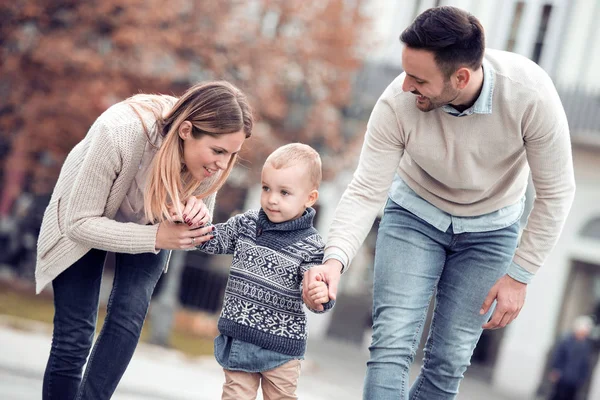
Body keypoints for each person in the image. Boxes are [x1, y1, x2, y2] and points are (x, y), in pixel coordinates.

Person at [302, 6, 576, 399]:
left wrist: (519, 276)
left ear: (460, 77)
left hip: (491, 230)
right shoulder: (396, 103)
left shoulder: (529, 94)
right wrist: (334, 259)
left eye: (418, 78)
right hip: (414, 214)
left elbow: (556, 193)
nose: (405, 86)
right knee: (391, 343)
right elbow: (366, 189)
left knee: (448, 362)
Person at [36, 81, 254, 400]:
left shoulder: (208, 165)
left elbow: (194, 231)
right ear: (186, 130)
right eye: (218, 151)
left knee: (129, 314)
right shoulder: (118, 132)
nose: (223, 164)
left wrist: (196, 216)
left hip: (151, 224)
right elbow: (78, 224)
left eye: (232, 155)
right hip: (84, 217)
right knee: (75, 336)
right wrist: (155, 235)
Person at [195, 143, 334, 400]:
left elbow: (316, 294)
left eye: (284, 192)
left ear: (309, 198)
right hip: (241, 337)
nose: (272, 199)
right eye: (266, 188)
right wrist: (193, 221)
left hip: (282, 348)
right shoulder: (247, 223)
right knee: (235, 396)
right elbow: (214, 240)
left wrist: (318, 296)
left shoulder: (312, 246)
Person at [548, 316, 595, 400]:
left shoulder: (586, 346)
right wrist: (555, 370)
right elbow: (558, 356)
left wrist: (582, 378)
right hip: (562, 377)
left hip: (575, 381)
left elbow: (585, 364)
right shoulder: (566, 341)